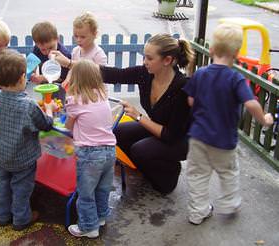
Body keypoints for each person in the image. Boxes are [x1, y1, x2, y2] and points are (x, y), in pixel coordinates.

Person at [52, 33, 194, 194]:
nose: (144, 62)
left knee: (140, 150)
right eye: (144, 57)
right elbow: (114, 74)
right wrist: (70, 63)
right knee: (118, 133)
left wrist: (138, 116)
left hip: (180, 140)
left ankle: (168, 174)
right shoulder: (145, 74)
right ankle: (148, 166)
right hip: (159, 127)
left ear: (167, 60)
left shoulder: (182, 88)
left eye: (149, 58)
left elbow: (171, 135)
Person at [183, 23, 273, 225]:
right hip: (223, 140)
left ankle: (197, 213)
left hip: (198, 137)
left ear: (212, 49)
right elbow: (251, 103)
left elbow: (190, 101)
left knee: (197, 175)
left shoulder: (201, 73)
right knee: (228, 172)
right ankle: (230, 203)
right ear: (237, 53)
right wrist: (264, 119)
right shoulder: (235, 79)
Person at [0, 49, 55, 231]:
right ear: (21, 78)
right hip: (22, 158)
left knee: (3, 185)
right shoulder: (28, 105)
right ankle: (21, 219)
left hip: (2, 155)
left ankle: (2, 216)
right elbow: (46, 125)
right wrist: (49, 109)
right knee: (21, 189)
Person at [64, 59, 116, 238]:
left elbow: (68, 127)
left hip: (90, 154)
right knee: (102, 189)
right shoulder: (102, 96)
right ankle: (100, 217)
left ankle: (88, 227)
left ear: (75, 79)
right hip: (109, 151)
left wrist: (49, 112)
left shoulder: (74, 100)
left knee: (86, 193)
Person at [61, 12, 108, 90]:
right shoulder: (75, 51)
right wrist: (67, 79)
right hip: (80, 93)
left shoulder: (98, 54)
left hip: (95, 95)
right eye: (76, 36)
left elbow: (102, 77)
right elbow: (72, 69)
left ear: (95, 34)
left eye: (83, 37)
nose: (78, 40)